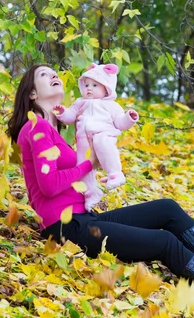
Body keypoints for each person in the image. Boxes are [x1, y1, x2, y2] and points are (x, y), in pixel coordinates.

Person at [6, 64, 194, 314]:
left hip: (83, 219)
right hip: (66, 229)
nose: (54, 75)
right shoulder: (36, 128)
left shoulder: (51, 128)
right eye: (44, 75)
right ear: (32, 94)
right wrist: (89, 164)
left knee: (167, 209)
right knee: (164, 242)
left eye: (54, 72)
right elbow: (50, 184)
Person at [53, 63, 139, 212]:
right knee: (82, 166)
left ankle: (115, 173)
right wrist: (62, 112)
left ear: (106, 88)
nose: (89, 88)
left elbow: (120, 122)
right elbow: (70, 117)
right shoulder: (80, 103)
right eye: (86, 85)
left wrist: (129, 118)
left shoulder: (111, 105)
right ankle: (91, 193)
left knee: (103, 144)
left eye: (94, 85)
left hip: (104, 134)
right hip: (83, 142)